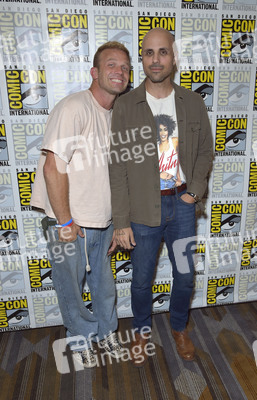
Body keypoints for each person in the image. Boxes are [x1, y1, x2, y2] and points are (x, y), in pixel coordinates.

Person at [109, 28, 213, 366]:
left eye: (163, 52)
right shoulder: (125, 105)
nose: (156, 59)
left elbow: (205, 153)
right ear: (142, 58)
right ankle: (141, 331)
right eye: (149, 53)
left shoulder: (192, 101)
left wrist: (194, 192)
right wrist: (121, 220)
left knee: (184, 275)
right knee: (141, 279)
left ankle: (179, 327)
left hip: (182, 205)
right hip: (141, 210)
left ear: (174, 57)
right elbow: (118, 167)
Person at [31, 41, 131, 368]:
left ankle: (105, 333)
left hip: (101, 222)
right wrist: (64, 222)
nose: (120, 71)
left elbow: (110, 176)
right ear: (95, 72)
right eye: (112, 65)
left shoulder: (117, 115)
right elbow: (52, 166)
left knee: (105, 288)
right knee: (71, 290)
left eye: (125, 67)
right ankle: (81, 340)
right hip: (68, 222)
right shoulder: (75, 107)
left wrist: (117, 221)